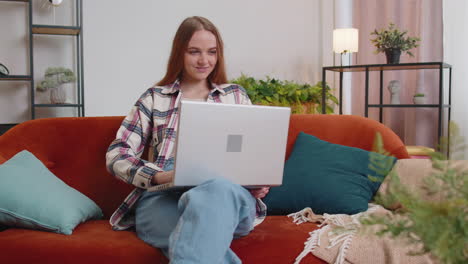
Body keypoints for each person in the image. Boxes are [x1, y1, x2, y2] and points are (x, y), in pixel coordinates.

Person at [105, 16, 270, 264]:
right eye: (194, 52)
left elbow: (251, 154)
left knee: (217, 189)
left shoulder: (235, 95)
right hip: (164, 195)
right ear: (179, 53)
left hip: (225, 192)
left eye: (211, 52)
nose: (205, 60)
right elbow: (117, 154)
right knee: (197, 240)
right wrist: (159, 176)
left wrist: (255, 180)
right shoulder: (154, 98)